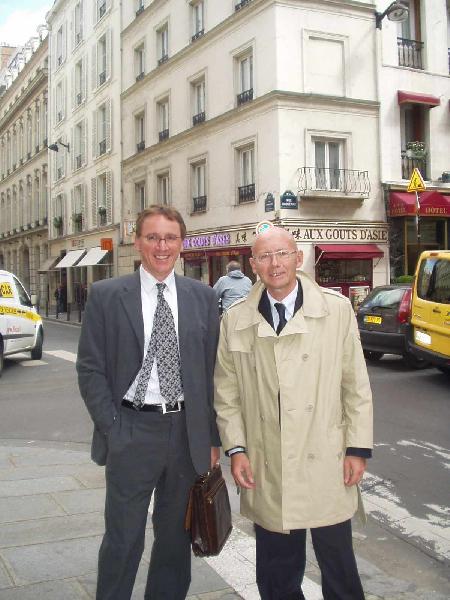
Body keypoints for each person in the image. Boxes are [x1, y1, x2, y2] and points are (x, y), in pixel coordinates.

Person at [214, 226, 373, 600]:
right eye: (265, 256)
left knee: (338, 566)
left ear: (298, 258)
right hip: (268, 462)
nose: (275, 263)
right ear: (253, 265)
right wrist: (236, 450)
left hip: (326, 458)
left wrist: (357, 448)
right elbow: (226, 392)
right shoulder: (236, 320)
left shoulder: (334, 311)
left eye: (283, 253)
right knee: (277, 574)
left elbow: (356, 385)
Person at [76, 205, 220, 600]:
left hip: (185, 433)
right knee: (123, 539)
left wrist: (212, 438)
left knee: (175, 543)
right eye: (153, 237)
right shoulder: (106, 296)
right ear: (137, 241)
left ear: (181, 245)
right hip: (130, 430)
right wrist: (113, 427)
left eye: (170, 238)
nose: (161, 246)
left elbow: (211, 374)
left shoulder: (203, 297)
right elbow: (90, 370)